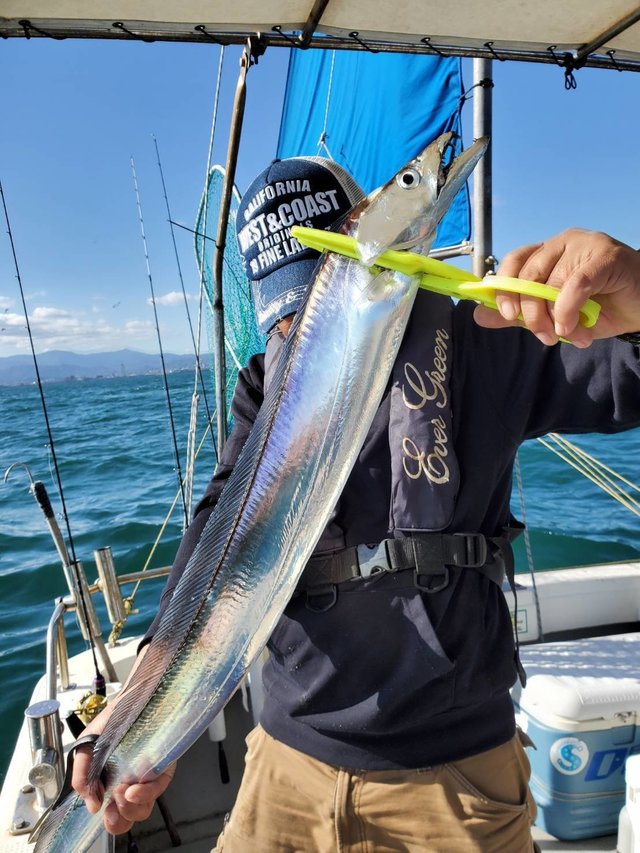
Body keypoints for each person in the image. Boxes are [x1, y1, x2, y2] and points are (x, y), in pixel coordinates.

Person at [72, 155, 640, 851]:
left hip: (453, 778)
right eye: (287, 320)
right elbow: (215, 535)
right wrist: (132, 709)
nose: (302, 337)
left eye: (316, 301)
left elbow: (626, 375)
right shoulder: (264, 386)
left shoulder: (485, 341)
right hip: (285, 762)